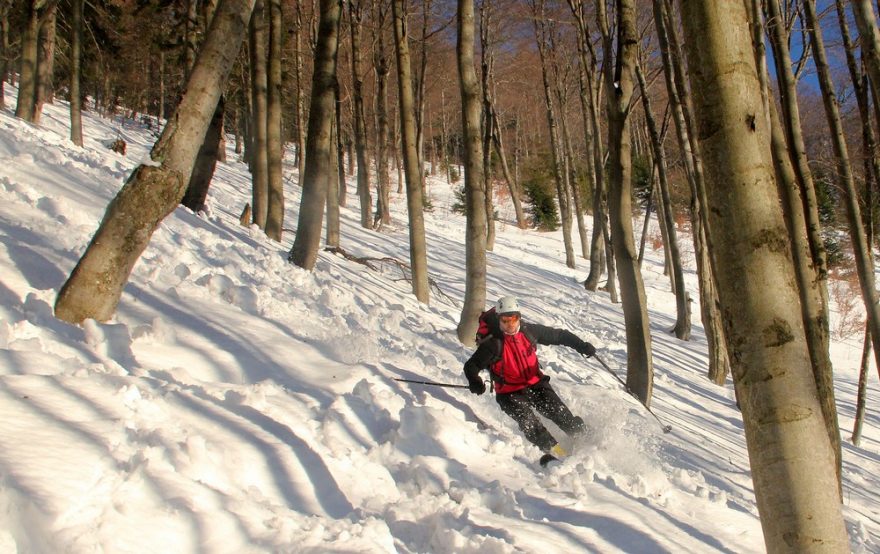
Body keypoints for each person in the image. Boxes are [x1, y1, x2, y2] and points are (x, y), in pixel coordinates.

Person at [463, 295, 597, 459]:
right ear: (499, 320)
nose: (510, 324)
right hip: (509, 393)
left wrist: (581, 346)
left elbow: (560, 335)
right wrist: (475, 381)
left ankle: (590, 443)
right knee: (531, 424)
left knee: (560, 414)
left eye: (513, 319)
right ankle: (558, 455)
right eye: (505, 321)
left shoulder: (529, 332)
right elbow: (471, 366)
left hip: (535, 383)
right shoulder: (493, 344)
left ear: (519, 317)